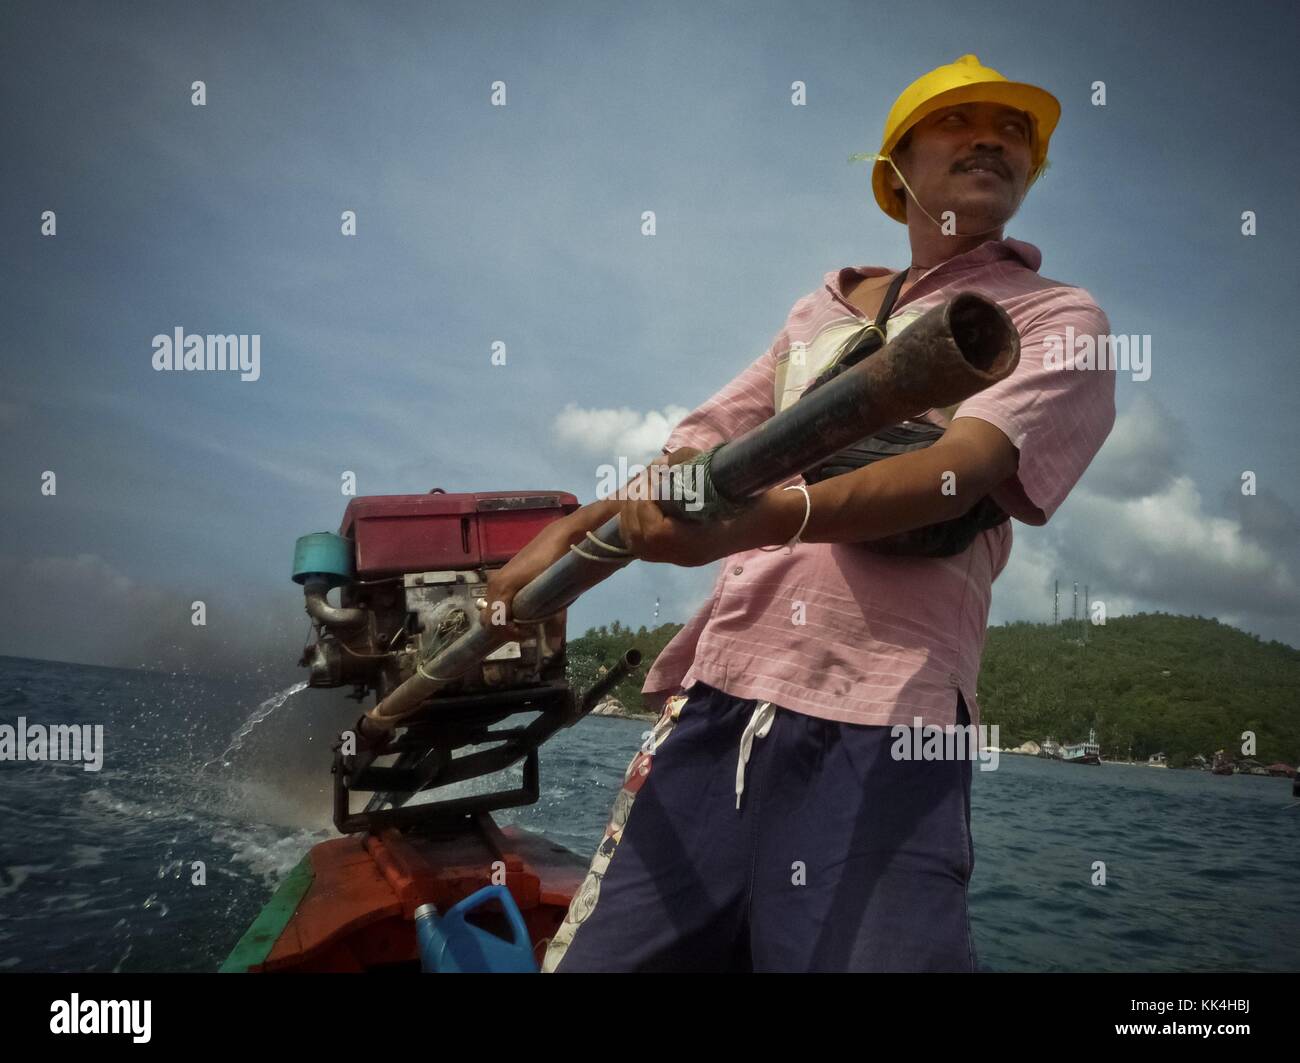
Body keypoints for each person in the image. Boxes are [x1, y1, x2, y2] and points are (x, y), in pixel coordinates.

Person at [482, 55, 1116, 972]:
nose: (991, 138)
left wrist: (753, 519)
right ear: (894, 172)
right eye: (958, 121)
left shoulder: (1060, 318)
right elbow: (691, 460)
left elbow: (960, 470)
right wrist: (570, 535)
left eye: (1014, 129)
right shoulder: (817, 310)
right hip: (721, 695)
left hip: (889, 712)